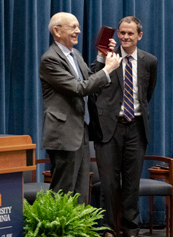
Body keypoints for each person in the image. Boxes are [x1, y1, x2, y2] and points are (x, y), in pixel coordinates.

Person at [39, 12, 121, 205]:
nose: (78, 31)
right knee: (64, 191)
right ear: (57, 31)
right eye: (73, 27)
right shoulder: (50, 59)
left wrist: (101, 56)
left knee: (81, 191)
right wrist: (108, 69)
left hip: (80, 130)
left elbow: (89, 78)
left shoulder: (74, 55)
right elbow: (78, 88)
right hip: (63, 133)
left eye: (78, 26)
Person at [92, 16, 157, 237]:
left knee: (132, 183)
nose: (125, 37)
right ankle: (107, 228)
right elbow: (93, 81)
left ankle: (131, 229)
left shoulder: (149, 61)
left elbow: (147, 94)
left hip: (137, 128)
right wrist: (102, 57)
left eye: (130, 33)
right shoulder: (109, 57)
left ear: (140, 35)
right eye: (122, 33)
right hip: (110, 129)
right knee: (108, 183)